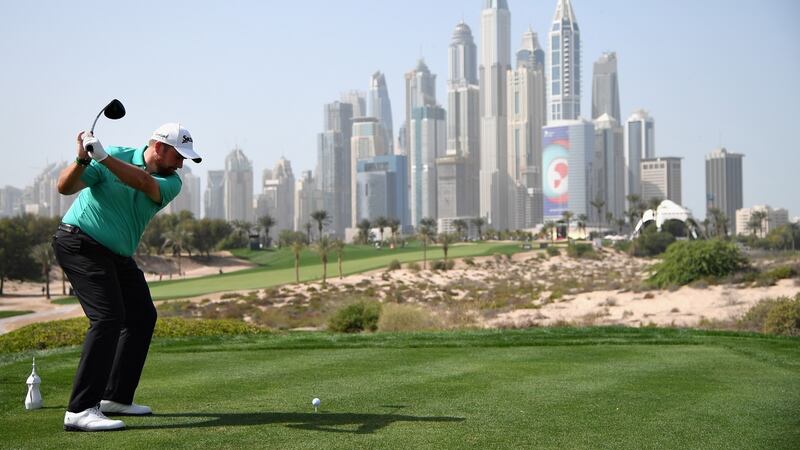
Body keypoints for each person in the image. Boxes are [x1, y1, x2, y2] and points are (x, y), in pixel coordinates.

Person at [53, 123, 201, 432]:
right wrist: (82, 159)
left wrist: (102, 158)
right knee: (108, 318)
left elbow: (143, 182)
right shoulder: (113, 155)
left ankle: (115, 397)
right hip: (79, 243)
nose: (181, 164)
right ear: (159, 147)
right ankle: (80, 409)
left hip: (115, 255)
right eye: (178, 156)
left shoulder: (171, 182)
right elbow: (64, 188)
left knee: (142, 316)